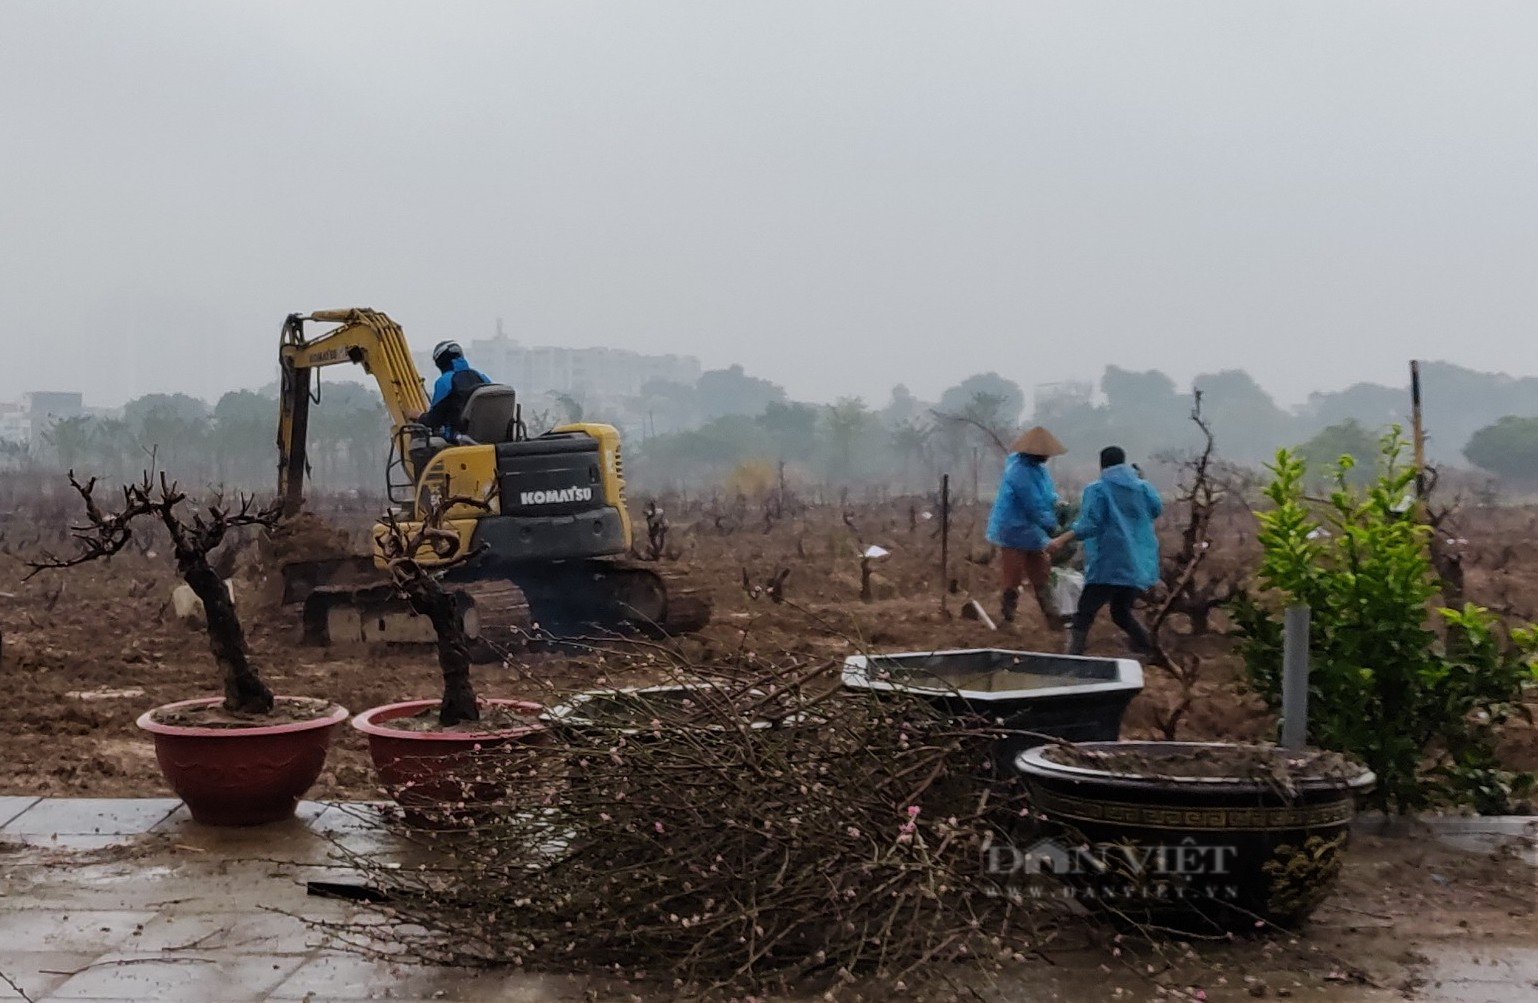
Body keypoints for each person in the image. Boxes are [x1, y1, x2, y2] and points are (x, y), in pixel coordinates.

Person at [1046, 445, 1161, 657]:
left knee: (1085, 611)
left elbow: (1090, 524)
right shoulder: (1143, 488)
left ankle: (1073, 655)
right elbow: (1155, 509)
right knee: (1120, 612)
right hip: (1134, 562)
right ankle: (1148, 648)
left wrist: (1061, 540)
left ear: (1102, 465)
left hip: (1108, 562)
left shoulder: (1097, 490)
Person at [985, 426, 1068, 627]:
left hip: (1032, 529)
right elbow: (1033, 504)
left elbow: (1047, 495)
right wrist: (1052, 524)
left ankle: (1052, 617)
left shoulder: (1039, 471)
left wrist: (1058, 503)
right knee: (1012, 576)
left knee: (1041, 572)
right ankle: (1008, 619)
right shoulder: (1018, 472)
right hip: (1012, 528)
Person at [405, 340, 491, 443]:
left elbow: (433, 421)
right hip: (487, 438)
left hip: (457, 439)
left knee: (417, 445)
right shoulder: (482, 377)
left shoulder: (445, 381)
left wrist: (419, 416)